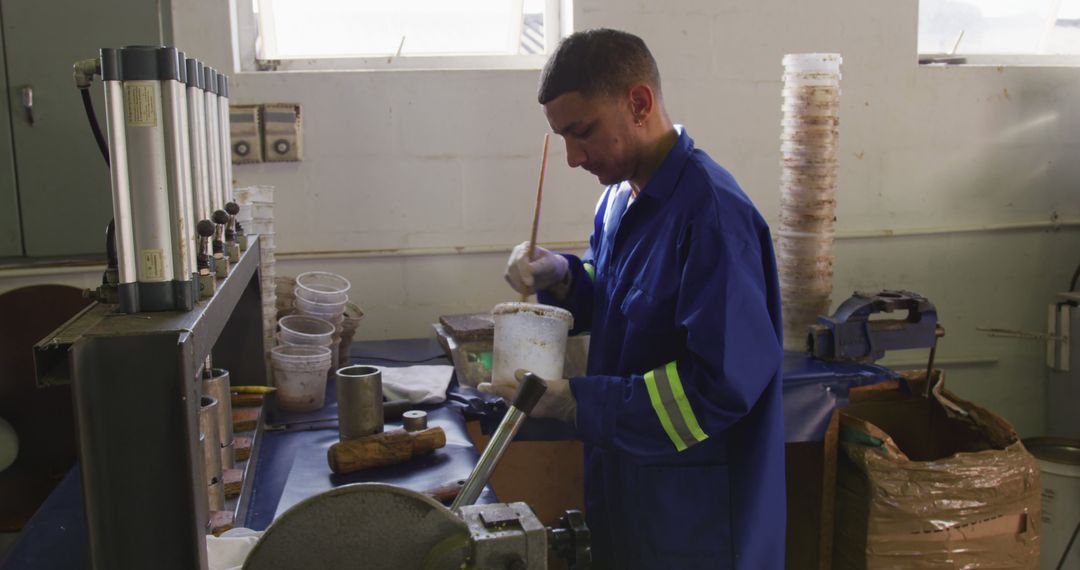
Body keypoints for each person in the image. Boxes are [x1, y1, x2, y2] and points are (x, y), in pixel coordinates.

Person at [479, 29, 785, 569]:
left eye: (583, 132)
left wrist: (578, 401)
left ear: (639, 103)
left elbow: (720, 387)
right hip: (628, 499)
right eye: (562, 139)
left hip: (695, 524)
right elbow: (627, 301)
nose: (574, 157)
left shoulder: (711, 216)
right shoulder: (618, 199)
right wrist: (567, 276)